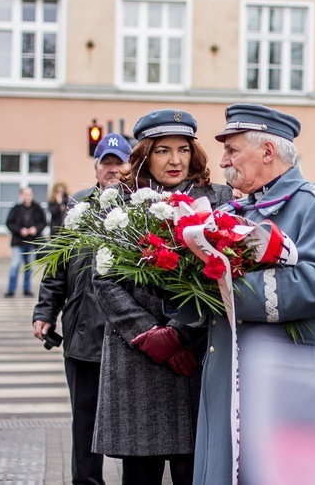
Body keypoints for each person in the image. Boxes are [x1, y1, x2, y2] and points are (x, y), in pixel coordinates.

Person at [166, 103, 315, 485]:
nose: (222, 161)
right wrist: (173, 279)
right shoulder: (232, 211)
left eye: (232, 150)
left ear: (268, 152)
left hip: (288, 385)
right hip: (230, 379)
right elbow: (207, 304)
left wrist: (222, 289)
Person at [92, 110, 232, 485]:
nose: (175, 160)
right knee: (140, 472)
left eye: (183, 150)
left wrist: (179, 333)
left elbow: (223, 272)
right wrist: (149, 333)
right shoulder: (118, 202)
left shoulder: (216, 199)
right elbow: (102, 278)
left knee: (194, 468)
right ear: (145, 155)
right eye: (163, 150)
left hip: (195, 353)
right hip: (137, 358)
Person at [32, 133, 131, 485]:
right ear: (97, 167)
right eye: (107, 162)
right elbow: (56, 264)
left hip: (128, 334)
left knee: (131, 422)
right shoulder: (78, 205)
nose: (113, 169)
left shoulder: (143, 207)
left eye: (120, 162)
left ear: (130, 166)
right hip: (84, 330)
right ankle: (86, 481)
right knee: (85, 419)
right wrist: (45, 311)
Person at [5, 186, 46, 297]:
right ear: (21, 195)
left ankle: (27, 289)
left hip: (31, 242)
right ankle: (11, 290)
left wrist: (35, 229)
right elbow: (9, 223)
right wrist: (19, 230)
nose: (28, 196)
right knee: (15, 266)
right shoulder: (16, 208)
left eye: (29, 194)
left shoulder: (37, 208)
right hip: (18, 242)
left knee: (29, 267)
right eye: (25, 194)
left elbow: (43, 222)